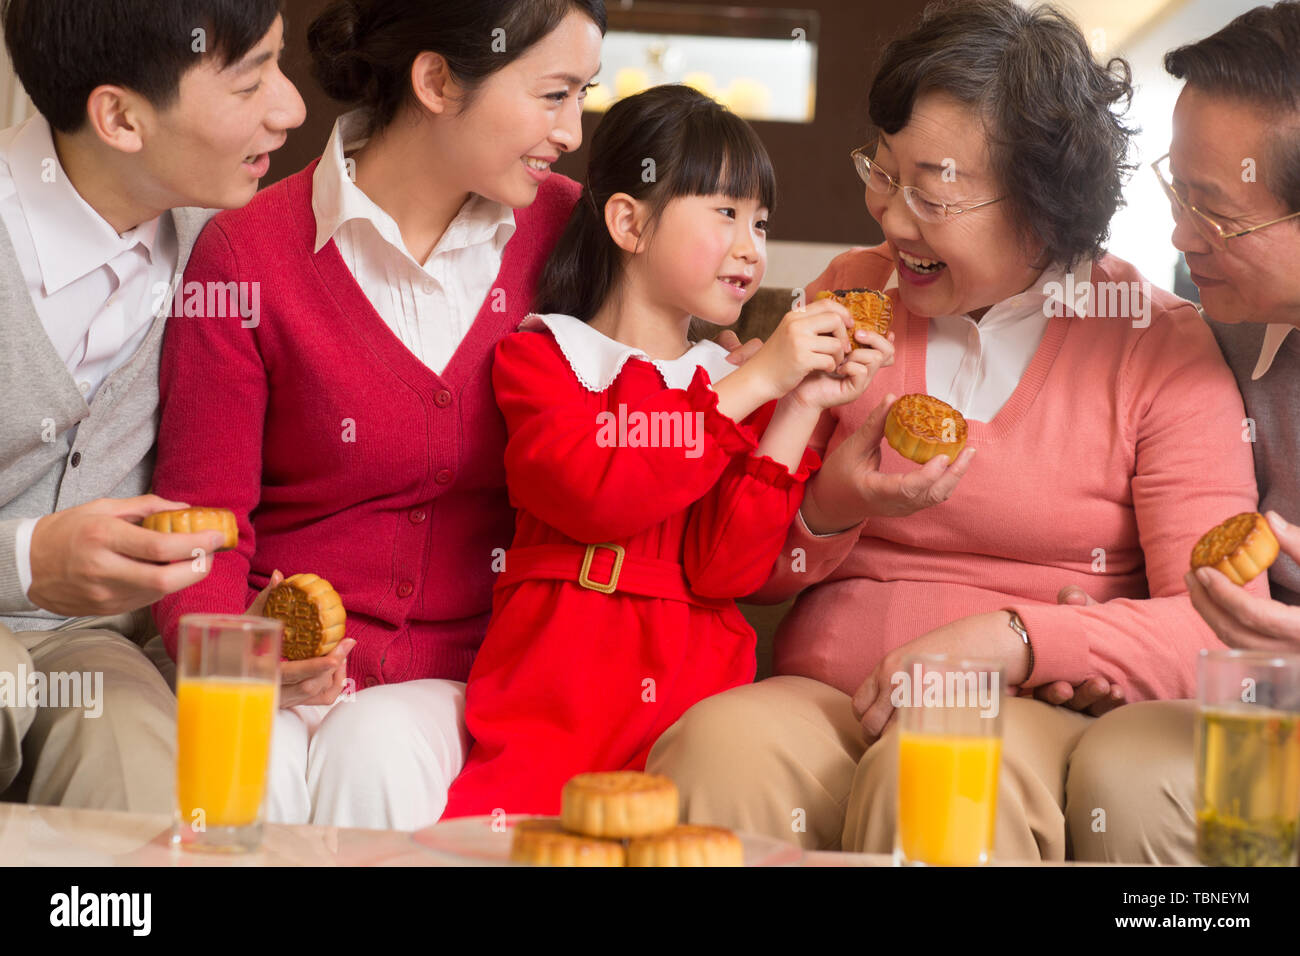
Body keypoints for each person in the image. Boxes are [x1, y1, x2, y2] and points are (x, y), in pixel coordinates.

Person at [645, 0, 1265, 859]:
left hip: (1030, 713)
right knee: (716, 750)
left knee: (934, 771)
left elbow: (1218, 624)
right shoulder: (847, 295)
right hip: (829, 693)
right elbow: (747, 570)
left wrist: (1015, 640)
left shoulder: (1158, 347)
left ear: (1047, 205)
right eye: (883, 172)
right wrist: (829, 506)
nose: (892, 220)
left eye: (933, 192)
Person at [149, 0, 608, 830]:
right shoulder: (247, 252)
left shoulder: (575, 237)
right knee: (246, 770)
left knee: (378, 747)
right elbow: (200, 518)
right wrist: (236, 648)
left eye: (584, 95)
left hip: (470, 673)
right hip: (277, 664)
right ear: (436, 80)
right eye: (554, 95)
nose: (573, 130)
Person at [441, 84, 893, 818]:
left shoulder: (734, 380)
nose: (752, 248)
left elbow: (728, 570)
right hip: (560, 680)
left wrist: (795, 407)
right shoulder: (543, 356)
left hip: (694, 693)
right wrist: (755, 385)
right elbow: (597, 493)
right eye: (725, 213)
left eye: (761, 223)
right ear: (630, 222)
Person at [0, 0, 302, 812]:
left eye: (280, 63)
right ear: (120, 119)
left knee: (144, 773)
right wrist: (29, 561)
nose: (291, 108)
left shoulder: (225, 243)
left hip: (94, 647)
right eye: (250, 84)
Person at [1065, 1, 1300, 864]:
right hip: (1257, 711)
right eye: (1178, 189)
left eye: (1218, 214)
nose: (1178, 235)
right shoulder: (1215, 331)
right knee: (1130, 766)